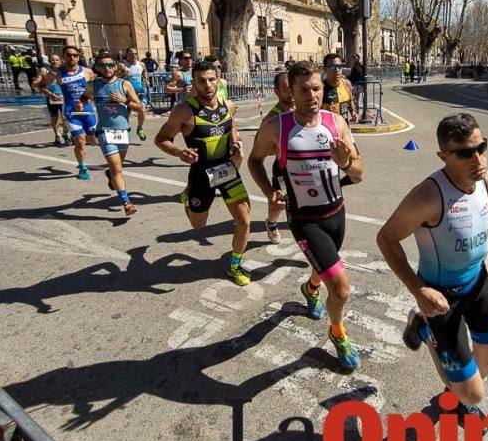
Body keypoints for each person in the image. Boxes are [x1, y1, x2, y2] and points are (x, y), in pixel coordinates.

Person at [377, 113, 488, 414]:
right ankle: (426, 330)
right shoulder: (428, 197)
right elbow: (386, 239)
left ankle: (456, 394)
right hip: (440, 297)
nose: (478, 159)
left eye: (481, 147)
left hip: (477, 283)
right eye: (465, 153)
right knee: (473, 395)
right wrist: (419, 291)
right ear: (443, 156)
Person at [248, 60, 365, 370]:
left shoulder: (336, 123)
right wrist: (268, 191)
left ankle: (310, 288)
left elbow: (359, 173)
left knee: (324, 269)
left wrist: (345, 163)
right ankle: (338, 332)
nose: (312, 95)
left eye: (317, 88)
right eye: (304, 90)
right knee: (340, 288)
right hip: (303, 220)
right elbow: (255, 160)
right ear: (292, 92)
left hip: (336, 214)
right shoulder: (277, 127)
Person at [155, 61, 252, 285]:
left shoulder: (228, 105)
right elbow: (161, 139)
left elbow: (232, 128)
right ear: (194, 83)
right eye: (201, 80)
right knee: (198, 226)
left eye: (211, 79)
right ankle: (189, 199)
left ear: (217, 79)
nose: (207, 85)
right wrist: (179, 151)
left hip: (227, 170)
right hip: (200, 174)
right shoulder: (184, 111)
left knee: (244, 221)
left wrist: (237, 144)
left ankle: (235, 265)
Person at [37, 45, 97, 179]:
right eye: (69, 55)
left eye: (75, 55)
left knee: (94, 141)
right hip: (71, 112)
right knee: (80, 141)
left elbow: (94, 88)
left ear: (78, 57)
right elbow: (41, 85)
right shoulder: (56, 73)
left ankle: (54, 167)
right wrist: (50, 94)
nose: (72, 57)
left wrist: (87, 100)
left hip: (87, 110)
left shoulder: (87, 72)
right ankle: (82, 167)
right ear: (63, 56)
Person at [93, 51, 141, 217]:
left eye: (110, 65)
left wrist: (124, 101)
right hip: (104, 131)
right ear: (98, 68)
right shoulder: (92, 85)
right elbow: (82, 100)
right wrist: (79, 105)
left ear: (115, 67)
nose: (107, 68)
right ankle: (127, 203)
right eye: (103, 65)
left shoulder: (124, 85)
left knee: (117, 167)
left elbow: (139, 106)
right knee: (117, 168)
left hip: (123, 131)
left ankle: (110, 175)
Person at [260, 70, 295, 244]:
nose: (291, 91)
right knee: (279, 201)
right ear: (277, 91)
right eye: (286, 88)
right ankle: (272, 223)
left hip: (304, 167)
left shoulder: (302, 108)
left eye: (293, 87)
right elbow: (262, 151)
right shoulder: (272, 118)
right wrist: (283, 147)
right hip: (283, 168)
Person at [35, 54, 70, 146]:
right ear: (49, 61)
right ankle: (57, 135)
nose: (55, 62)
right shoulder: (45, 71)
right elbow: (37, 84)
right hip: (51, 98)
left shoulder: (64, 70)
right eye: (52, 60)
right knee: (54, 118)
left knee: (65, 118)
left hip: (64, 97)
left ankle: (65, 134)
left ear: (60, 61)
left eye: (57, 60)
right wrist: (37, 83)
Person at [119, 47, 148, 141]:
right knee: (126, 114)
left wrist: (146, 79)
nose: (134, 56)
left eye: (135, 54)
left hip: (139, 91)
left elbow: (144, 72)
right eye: (131, 54)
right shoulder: (122, 65)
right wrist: (123, 73)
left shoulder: (141, 64)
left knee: (142, 109)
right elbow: (114, 76)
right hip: (126, 92)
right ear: (127, 55)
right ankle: (125, 129)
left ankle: (140, 128)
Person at [321, 53, 358, 123]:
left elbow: (350, 101)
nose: (337, 70)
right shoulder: (321, 87)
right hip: (328, 129)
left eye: (339, 66)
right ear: (325, 69)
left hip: (344, 128)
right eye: (333, 67)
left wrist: (353, 113)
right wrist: (324, 111)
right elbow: (312, 112)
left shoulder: (347, 84)